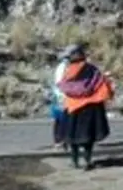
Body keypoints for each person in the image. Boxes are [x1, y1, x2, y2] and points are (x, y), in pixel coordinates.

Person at [57, 43, 114, 171]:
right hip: (91, 107)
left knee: (72, 137)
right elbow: (102, 84)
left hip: (73, 107)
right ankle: (87, 160)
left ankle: (74, 161)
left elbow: (63, 87)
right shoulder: (92, 70)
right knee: (88, 137)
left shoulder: (69, 71)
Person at [44, 49, 69, 152]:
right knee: (62, 119)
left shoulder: (63, 67)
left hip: (60, 94)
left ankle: (60, 141)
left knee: (60, 119)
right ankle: (60, 141)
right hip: (61, 95)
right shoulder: (63, 67)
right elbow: (60, 82)